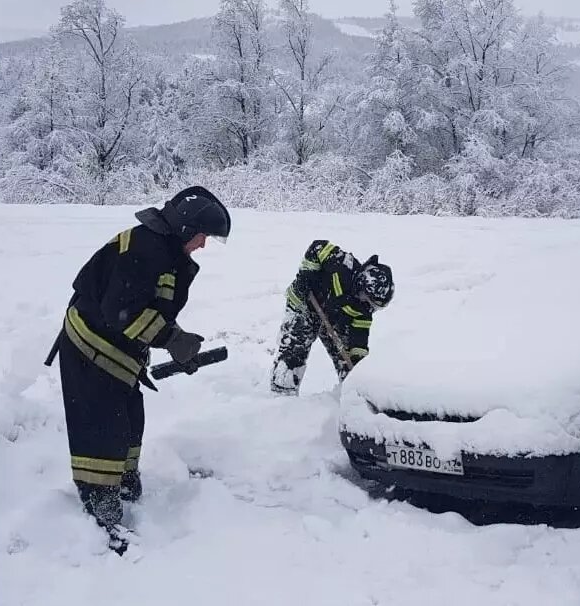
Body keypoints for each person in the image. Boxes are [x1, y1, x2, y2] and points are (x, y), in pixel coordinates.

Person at [45, 186, 231, 554]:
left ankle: (124, 483)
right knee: (103, 426)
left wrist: (175, 341)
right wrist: (172, 340)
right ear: (183, 227)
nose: (203, 246)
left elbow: (148, 309)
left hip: (118, 350)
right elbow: (123, 312)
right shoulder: (145, 249)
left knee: (130, 419)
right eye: (202, 236)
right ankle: (100, 503)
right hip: (91, 345)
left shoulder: (163, 250)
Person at [270, 240, 393, 395]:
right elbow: (317, 247)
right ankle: (282, 393)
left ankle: (353, 394)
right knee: (295, 350)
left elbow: (359, 341)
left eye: (375, 306)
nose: (370, 307)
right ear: (362, 285)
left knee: (347, 360)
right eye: (369, 300)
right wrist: (305, 278)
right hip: (305, 304)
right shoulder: (343, 265)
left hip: (332, 318)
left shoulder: (363, 310)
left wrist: (357, 366)